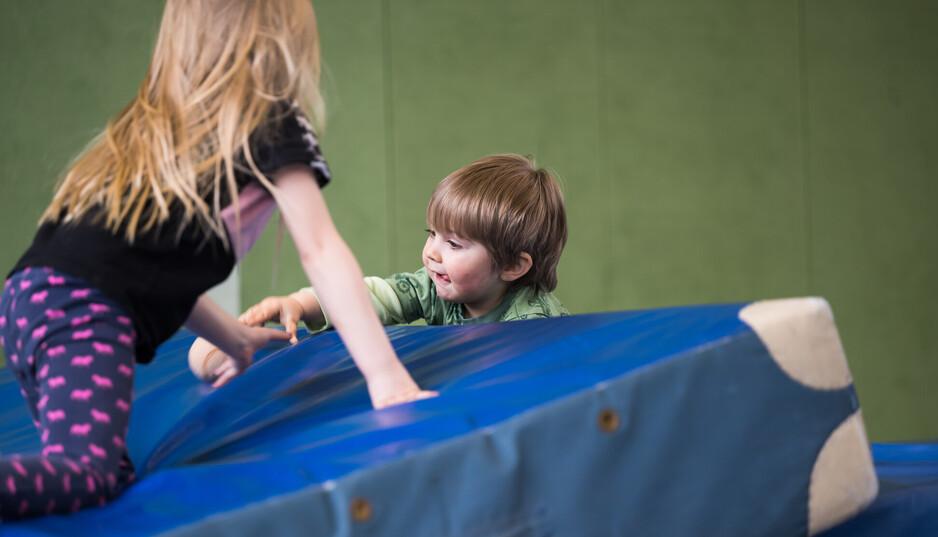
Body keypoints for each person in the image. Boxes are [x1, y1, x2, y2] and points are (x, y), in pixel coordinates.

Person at [0, 0, 431, 519]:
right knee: (87, 476)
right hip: (81, 309)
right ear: (282, 39)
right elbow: (320, 250)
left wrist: (234, 337)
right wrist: (387, 378)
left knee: (105, 478)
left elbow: (146, 273)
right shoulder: (272, 121)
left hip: (25, 300)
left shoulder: (152, 128)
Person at [190, 154, 569, 380]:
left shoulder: (530, 324)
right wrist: (299, 305)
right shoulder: (436, 288)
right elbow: (374, 297)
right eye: (432, 234)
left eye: (453, 244)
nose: (433, 253)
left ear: (513, 267)